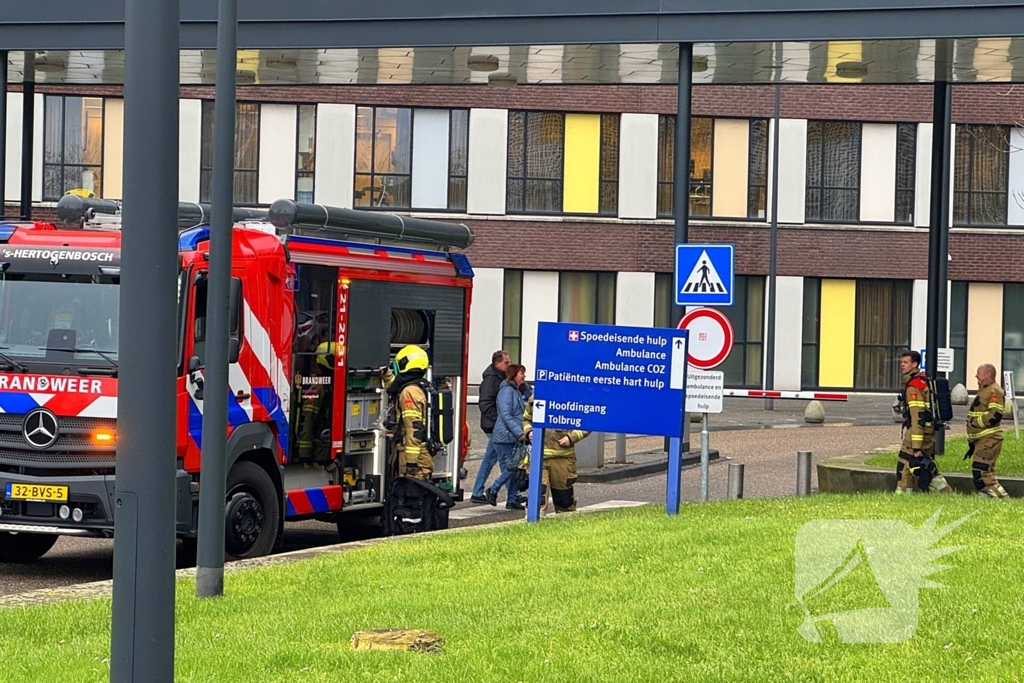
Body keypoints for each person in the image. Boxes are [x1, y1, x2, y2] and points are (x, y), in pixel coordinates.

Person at [895, 350, 952, 494]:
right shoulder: (922, 380)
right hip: (926, 431)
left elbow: (917, 416)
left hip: (918, 432)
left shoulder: (914, 385)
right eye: (901, 362)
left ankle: (903, 495)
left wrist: (916, 446)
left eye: (905, 362)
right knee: (924, 465)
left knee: (907, 463)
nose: (902, 365)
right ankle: (945, 492)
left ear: (914, 364)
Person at [521, 396, 590, 514]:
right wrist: (529, 432)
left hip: (563, 458)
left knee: (564, 500)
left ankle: (565, 528)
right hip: (539, 457)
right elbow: (526, 419)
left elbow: (587, 422)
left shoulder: (575, 399)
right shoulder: (536, 398)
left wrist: (571, 437)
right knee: (538, 497)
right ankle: (533, 527)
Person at [382, 344, 433, 480]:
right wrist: (387, 375)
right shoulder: (417, 386)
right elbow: (396, 387)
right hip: (419, 454)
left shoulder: (409, 392)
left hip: (415, 459)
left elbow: (413, 427)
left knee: (411, 495)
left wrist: (411, 460)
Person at [486, 364, 528, 510]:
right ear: (513, 374)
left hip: (512, 436)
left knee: (513, 468)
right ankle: (493, 489)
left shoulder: (515, 390)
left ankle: (512, 498)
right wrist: (519, 432)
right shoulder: (507, 391)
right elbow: (506, 415)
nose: (524, 376)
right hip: (504, 437)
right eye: (521, 373)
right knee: (511, 468)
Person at [471, 350, 510, 503]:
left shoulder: (497, 378)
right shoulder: (491, 380)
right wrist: (499, 421)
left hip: (493, 425)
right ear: (497, 363)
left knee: (491, 459)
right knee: (504, 460)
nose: (508, 365)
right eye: (506, 362)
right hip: (494, 426)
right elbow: (485, 405)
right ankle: (508, 493)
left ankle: (478, 491)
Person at [966, 363, 1009, 499]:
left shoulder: (993, 391)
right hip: (982, 439)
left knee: (982, 472)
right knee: (982, 471)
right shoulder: (985, 390)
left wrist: (975, 423)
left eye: (979, 373)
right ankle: (987, 499)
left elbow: (995, 415)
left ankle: (1002, 499)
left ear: (988, 375)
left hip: (989, 439)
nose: (976, 376)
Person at [296, 341, 334, 460]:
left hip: (323, 445)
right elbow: (308, 421)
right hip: (324, 445)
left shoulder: (322, 387)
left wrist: (304, 455)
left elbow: (307, 421)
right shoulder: (322, 387)